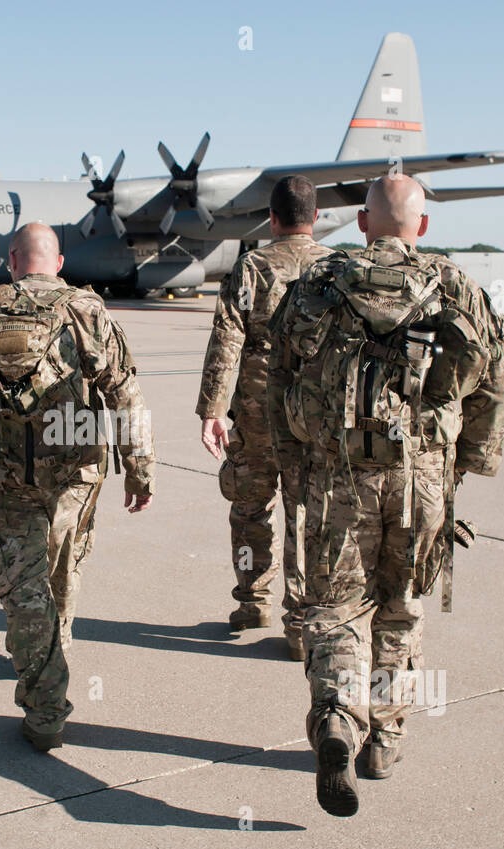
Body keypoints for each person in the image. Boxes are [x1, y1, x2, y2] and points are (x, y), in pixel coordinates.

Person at [267, 174, 504, 816]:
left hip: (335, 479)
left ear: (364, 222)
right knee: (399, 608)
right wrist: (467, 465)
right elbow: (489, 380)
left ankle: (335, 723)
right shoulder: (455, 286)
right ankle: (385, 737)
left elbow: (279, 377)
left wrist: (294, 467)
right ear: (422, 226)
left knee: (334, 609)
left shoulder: (316, 285)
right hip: (419, 479)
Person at [0, 223, 155, 751]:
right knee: (61, 568)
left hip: (6, 477)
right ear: (56, 263)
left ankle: (46, 703)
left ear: (12, 261)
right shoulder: (87, 310)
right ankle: (56, 655)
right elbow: (126, 395)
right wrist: (140, 469)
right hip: (74, 475)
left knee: (22, 588)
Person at [196, 175, 333, 659]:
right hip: (314, 416)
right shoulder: (338, 269)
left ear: (271, 219)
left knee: (250, 507)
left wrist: (212, 409)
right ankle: (300, 622)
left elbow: (226, 340)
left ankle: (253, 600)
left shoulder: (251, 267)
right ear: (315, 218)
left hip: (257, 412)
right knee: (307, 514)